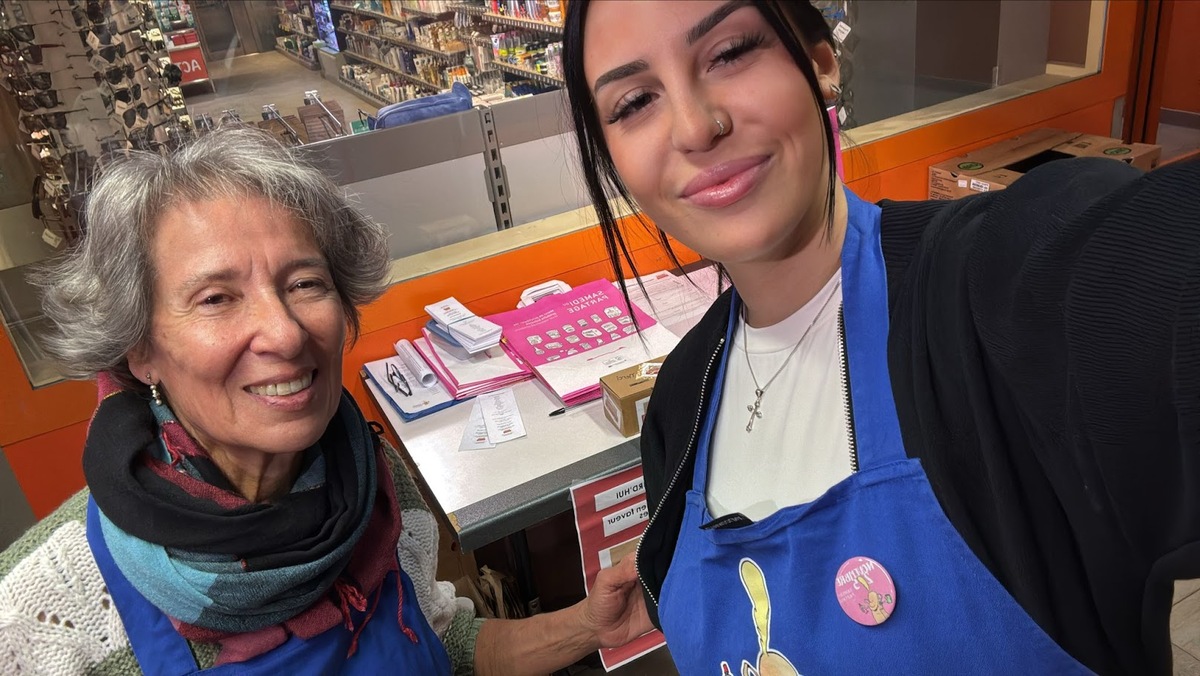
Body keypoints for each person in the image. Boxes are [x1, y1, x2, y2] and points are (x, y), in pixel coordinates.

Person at [562, 1, 1200, 674]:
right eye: (635, 102)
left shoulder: (990, 296)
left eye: (729, 53)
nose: (695, 127)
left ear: (821, 63)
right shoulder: (681, 400)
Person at [0, 127, 651, 675]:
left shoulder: (371, 479)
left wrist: (590, 624)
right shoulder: (49, 610)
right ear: (140, 350)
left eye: (305, 283)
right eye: (216, 298)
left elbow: (440, 640)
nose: (285, 333)